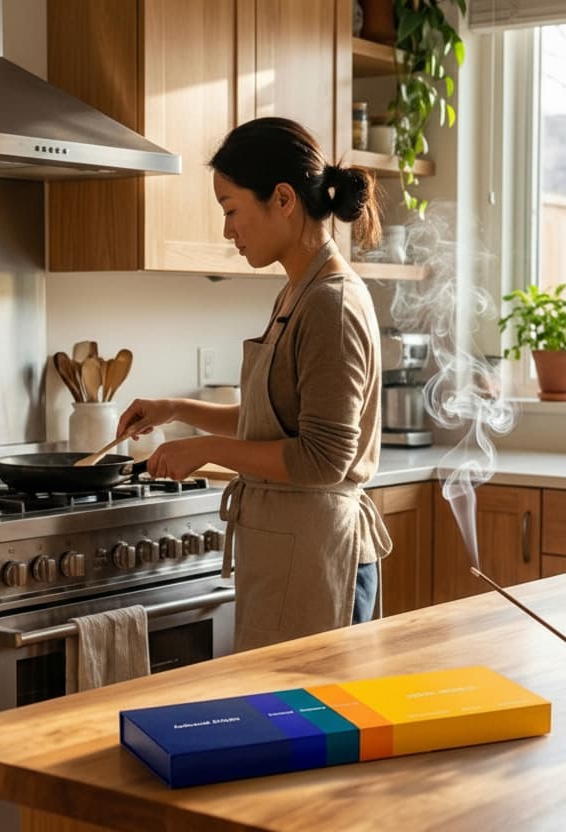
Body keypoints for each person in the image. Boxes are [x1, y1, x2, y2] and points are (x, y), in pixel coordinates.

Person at [117, 117, 393, 652]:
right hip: (290, 551)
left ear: (283, 199)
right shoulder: (297, 292)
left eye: (231, 210)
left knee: (308, 726)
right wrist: (177, 410)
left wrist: (207, 451)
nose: (227, 231)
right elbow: (272, 423)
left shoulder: (330, 304)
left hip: (320, 559)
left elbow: (323, 458)